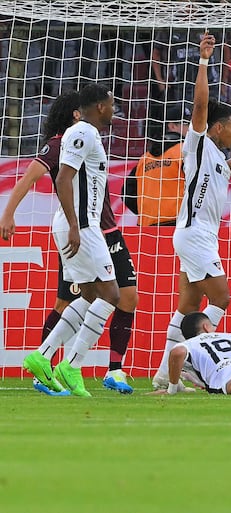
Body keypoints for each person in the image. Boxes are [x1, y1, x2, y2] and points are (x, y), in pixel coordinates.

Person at [152, 33, 231, 390]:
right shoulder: (199, 142)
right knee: (222, 298)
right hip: (195, 235)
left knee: (187, 307)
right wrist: (204, 60)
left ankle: (164, 377)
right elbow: (200, 106)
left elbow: (223, 172)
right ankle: (198, 364)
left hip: (197, 235)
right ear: (217, 127)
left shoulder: (216, 157)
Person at [3, 90, 138, 395]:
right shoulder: (80, 134)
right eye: (112, 105)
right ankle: (72, 363)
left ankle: (43, 356)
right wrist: (76, 227)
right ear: (100, 107)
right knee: (111, 294)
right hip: (83, 227)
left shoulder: (85, 134)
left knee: (89, 295)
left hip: (86, 225)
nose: (115, 110)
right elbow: (63, 179)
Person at [122, 103, 190, 226]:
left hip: (148, 228)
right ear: (172, 126)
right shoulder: (185, 152)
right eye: (186, 124)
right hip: (178, 224)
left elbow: (126, 192)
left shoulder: (145, 158)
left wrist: (145, 212)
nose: (190, 128)